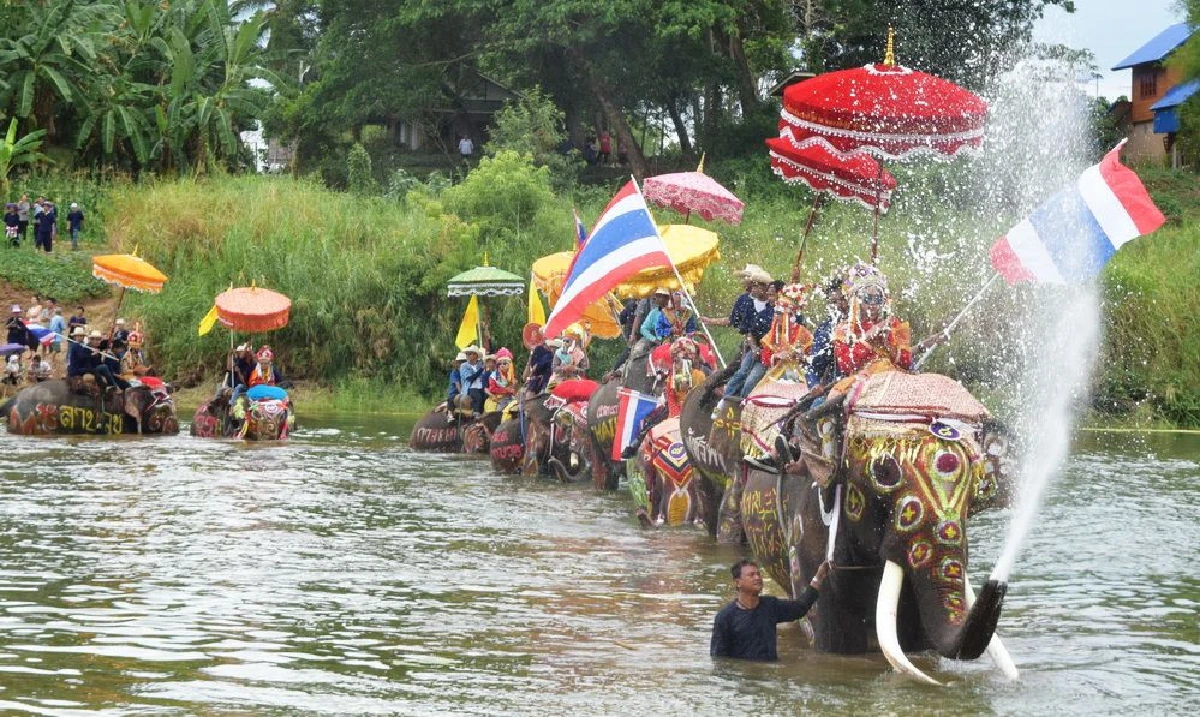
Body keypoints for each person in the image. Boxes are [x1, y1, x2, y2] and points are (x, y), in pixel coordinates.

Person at [710, 559, 830, 661]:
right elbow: (719, 659)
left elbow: (800, 608)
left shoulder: (770, 606)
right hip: (743, 678)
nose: (757, 578)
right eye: (751, 575)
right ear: (737, 583)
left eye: (758, 574)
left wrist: (818, 577)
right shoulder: (725, 617)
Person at [713, 274, 776, 416]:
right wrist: (754, 348)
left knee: (751, 380)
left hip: (771, 355)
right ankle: (724, 400)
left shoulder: (780, 313)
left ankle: (744, 406)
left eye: (756, 286)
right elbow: (746, 330)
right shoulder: (746, 302)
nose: (752, 288)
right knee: (739, 371)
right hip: (751, 347)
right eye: (752, 285)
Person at [485, 347, 518, 413]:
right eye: (500, 364)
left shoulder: (512, 375)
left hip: (511, 397)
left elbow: (514, 389)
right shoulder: (494, 375)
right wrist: (506, 390)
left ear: (509, 364)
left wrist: (513, 388)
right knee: (499, 412)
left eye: (504, 363)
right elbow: (492, 389)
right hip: (499, 399)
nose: (502, 365)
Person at [455, 346, 486, 416]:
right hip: (470, 387)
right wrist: (481, 369)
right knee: (478, 397)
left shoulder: (481, 363)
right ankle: (476, 415)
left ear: (476, 355)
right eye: (467, 354)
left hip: (482, 386)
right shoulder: (464, 366)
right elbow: (470, 378)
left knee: (486, 397)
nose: (467, 356)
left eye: (469, 354)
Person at [445, 352, 467, 421]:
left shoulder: (467, 371)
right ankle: (450, 413)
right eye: (461, 362)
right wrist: (462, 392)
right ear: (458, 363)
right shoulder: (455, 372)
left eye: (464, 362)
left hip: (465, 390)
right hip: (455, 392)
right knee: (451, 398)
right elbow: (457, 384)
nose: (462, 364)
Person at [48, 306, 65, 373]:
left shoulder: (53, 318)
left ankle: (53, 361)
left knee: (55, 349)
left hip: (51, 335)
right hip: (57, 335)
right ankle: (52, 361)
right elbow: (63, 327)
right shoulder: (60, 318)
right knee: (56, 350)